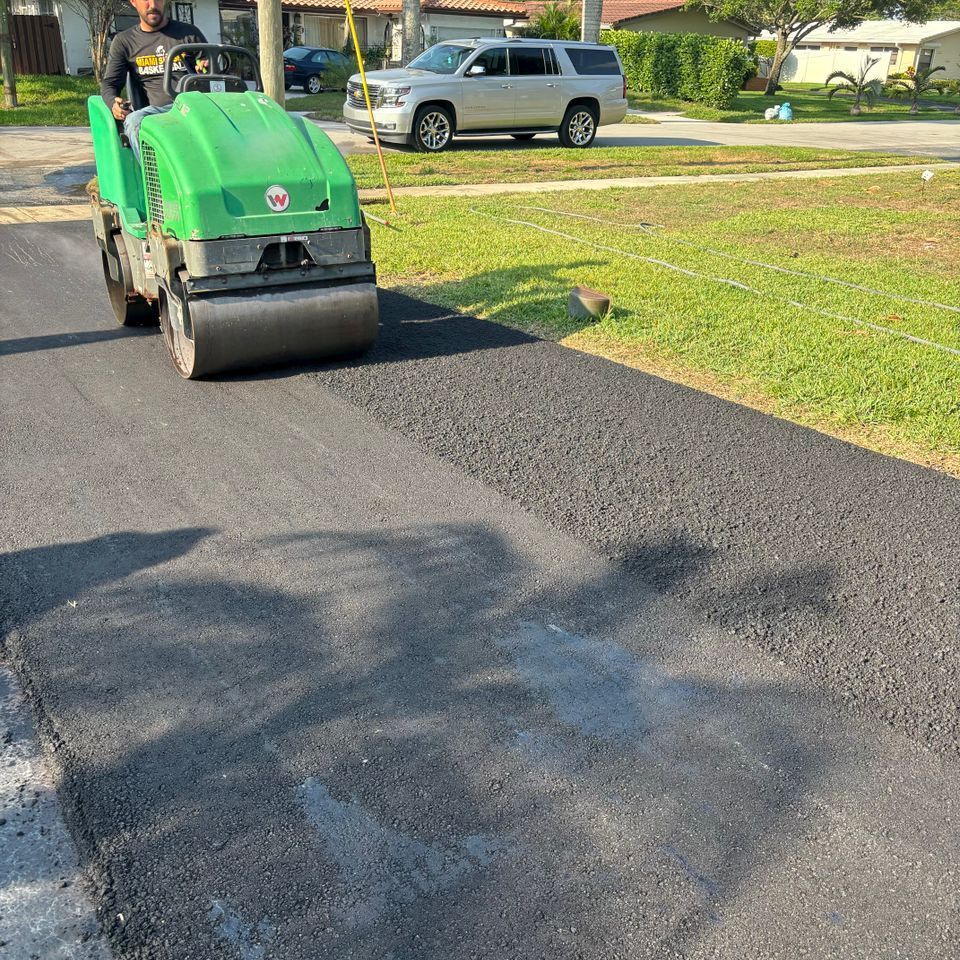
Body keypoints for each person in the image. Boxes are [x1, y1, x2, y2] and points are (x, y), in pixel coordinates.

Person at [100, 0, 207, 162]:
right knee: (134, 120)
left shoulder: (190, 34)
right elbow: (110, 83)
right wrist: (113, 102)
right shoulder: (124, 42)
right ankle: (155, 181)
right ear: (134, 2)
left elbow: (213, 68)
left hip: (192, 109)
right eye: (146, 0)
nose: (152, 5)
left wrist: (205, 68)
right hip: (156, 113)